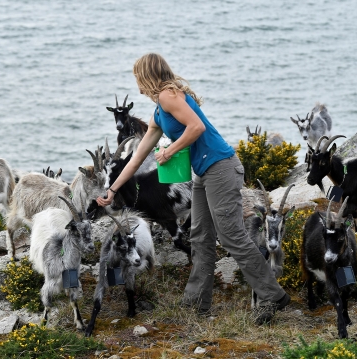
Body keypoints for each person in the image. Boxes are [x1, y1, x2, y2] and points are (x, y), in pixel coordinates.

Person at [96, 53, 290, 324]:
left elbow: (196, 127)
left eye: (137, 75)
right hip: (203, 173)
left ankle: (272, 295)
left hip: (221, 167)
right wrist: (113, 190)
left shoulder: (168, 95)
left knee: (231, 234)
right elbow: (137, 156)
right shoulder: (159, 111)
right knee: (199, 236)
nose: (136, 81)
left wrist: (170, 150)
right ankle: (197, 301)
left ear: (147, 75)